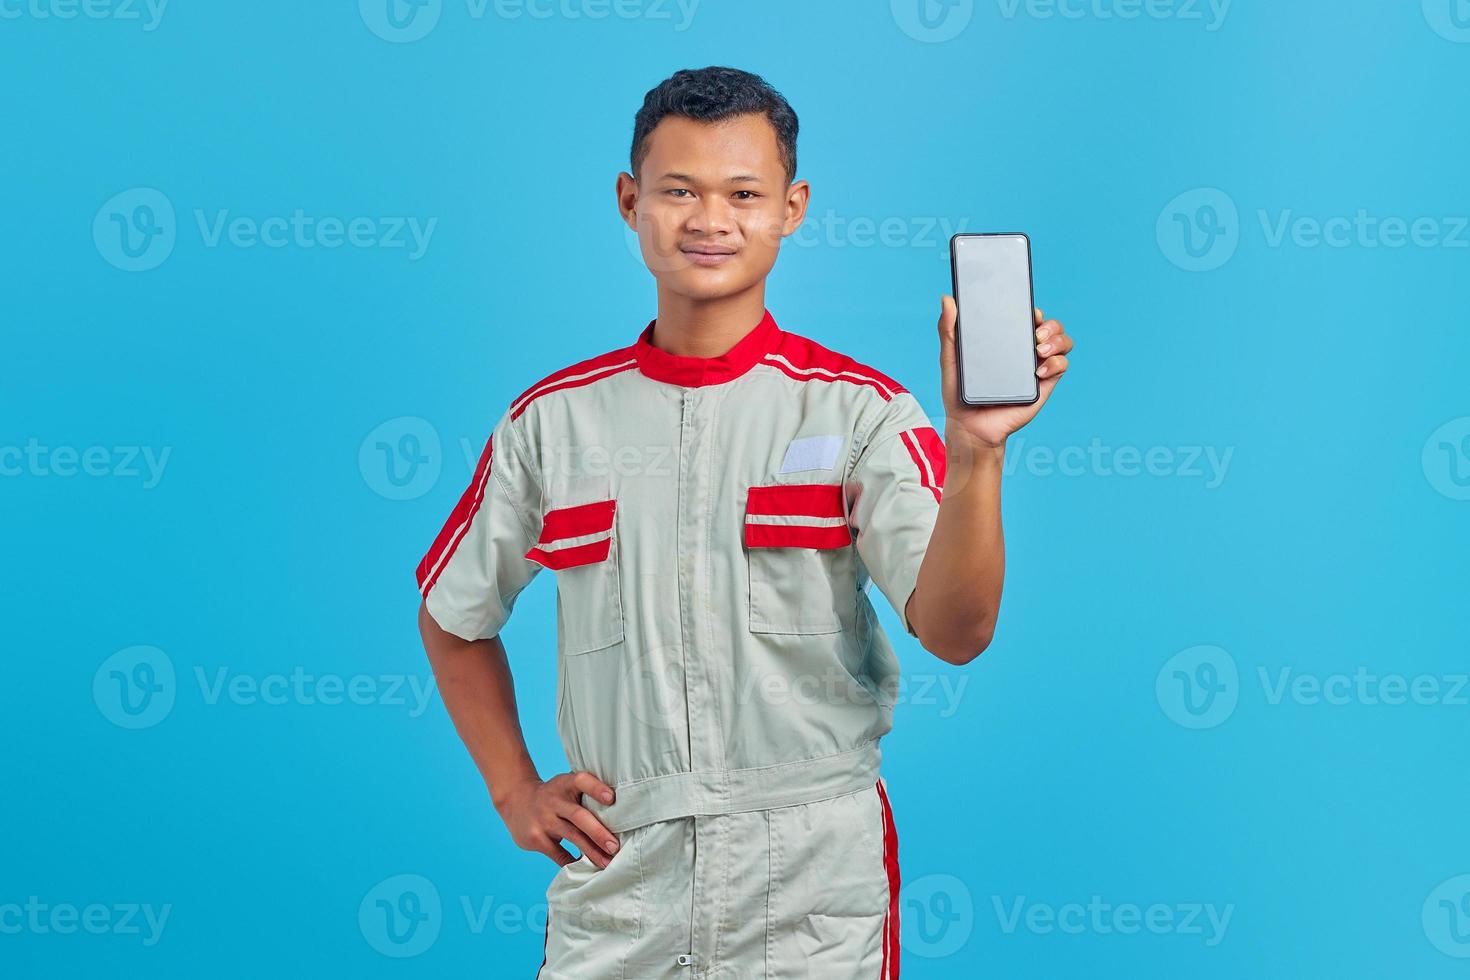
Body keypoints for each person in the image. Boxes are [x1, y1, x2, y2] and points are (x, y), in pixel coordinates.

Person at [416, 65, 1073, 979]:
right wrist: (514, 791)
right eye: (678, 190)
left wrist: (978, 452)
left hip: (813, 887)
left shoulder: (862, 416)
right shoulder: (551, 424)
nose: (709, 219)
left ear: (792, 207)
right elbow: (453, 616)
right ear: (628, 200)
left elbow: (957, 633)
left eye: (744, 193)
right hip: (624, 881)